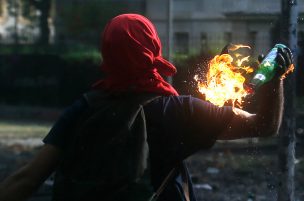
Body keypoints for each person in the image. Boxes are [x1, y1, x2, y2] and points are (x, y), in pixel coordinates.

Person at [0, 13, 293, 201]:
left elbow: (28, 178)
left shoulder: (84, 109)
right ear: (152, 48)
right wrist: (276, 78)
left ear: (107, 54)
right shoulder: (179, 111)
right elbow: (265, 125)